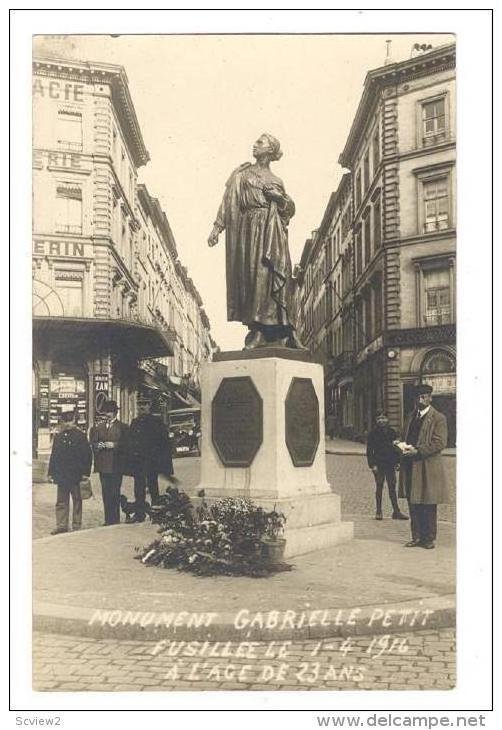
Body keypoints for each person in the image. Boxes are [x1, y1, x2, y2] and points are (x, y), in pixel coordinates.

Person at [208, 133, 304, 350]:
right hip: (250, 230)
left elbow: (289, 211)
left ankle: (287, 331)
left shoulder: (277, 181)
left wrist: (280, 199)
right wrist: (217, 227)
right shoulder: (242, 173)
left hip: (273, 232)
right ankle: (258, 330)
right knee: (255, 278)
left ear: (270, 150)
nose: (255, 144)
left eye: (260, 142)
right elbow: (228, 202)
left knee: (277, 277)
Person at [398, 384, 449, 549]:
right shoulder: (410, 417)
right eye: (418, 397)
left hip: (427, 466)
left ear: (430, 398)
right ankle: (416, 536)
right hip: (410, 465)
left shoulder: (438, 418)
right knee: (413, 502)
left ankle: (428, 539)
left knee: (428, 502)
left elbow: (440, 443)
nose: (421, 400)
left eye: (424, 396)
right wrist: (400, 445)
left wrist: (418, 451)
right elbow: (404, 436)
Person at [126, 398, 174, 522]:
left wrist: (162, 463)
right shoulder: (135, 422)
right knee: (139, 489)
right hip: (139, 462)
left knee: (153, 488)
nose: (142, 407)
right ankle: (140, 513)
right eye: (139, 404)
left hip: (152, 461)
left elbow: (164, 443)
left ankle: (156, 513)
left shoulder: (156, 422)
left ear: (149, 405)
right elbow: (130, 442)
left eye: (145, 404)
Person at [47, 410, 92, 535]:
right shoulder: (59, 437)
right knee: (61, 501)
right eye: (65, 421)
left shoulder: (80, 436)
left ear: (74, 421)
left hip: (76, 475)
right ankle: (61, 525)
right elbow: (54, 456)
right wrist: (51, 473)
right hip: (61, 475)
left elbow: (87, 456)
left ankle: (76, 524)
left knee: (77, 500)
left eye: (70, 421)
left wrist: (85, 473)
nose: (67, 424)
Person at [89, 400, 129, 526]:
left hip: (116, 465)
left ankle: (115, 519)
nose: (107, 414)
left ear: (115, 413)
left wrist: (115, 445)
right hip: (103, 465)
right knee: (105, 492)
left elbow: (127, 445)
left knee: (115, 492)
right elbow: (93, 443)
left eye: (110, 412)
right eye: (105, 412)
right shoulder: (98, 428)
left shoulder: (122, 427)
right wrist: (98, 445)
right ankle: (108, 519)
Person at [366, 411, 408, 521]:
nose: (381, 420)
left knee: (392, 488)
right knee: (379, 487)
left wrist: (398, 462)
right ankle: (379, 511)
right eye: (379, 418)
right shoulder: (372, 433)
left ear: (387, 419)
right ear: (376, 420)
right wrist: (372, 465)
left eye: (383, 418)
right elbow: (369, 451)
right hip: (378, 464)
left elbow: (396, 449)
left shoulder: (392, 432)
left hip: (390, 464)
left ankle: (396, 512)